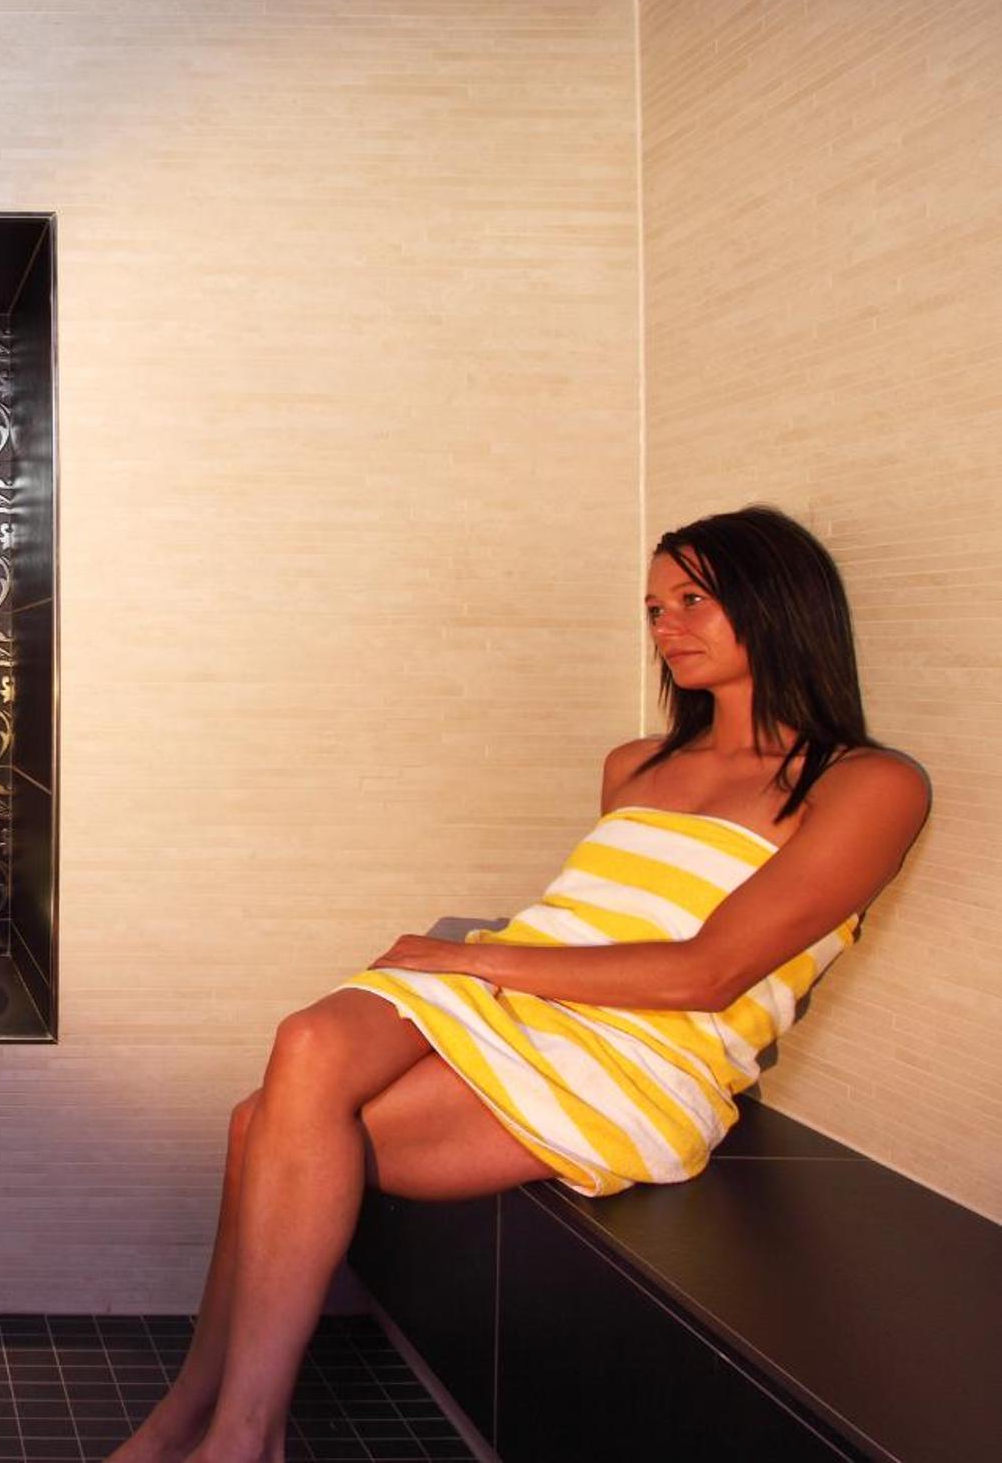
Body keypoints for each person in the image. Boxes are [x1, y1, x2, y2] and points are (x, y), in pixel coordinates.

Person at [112, 505, 929, 1463]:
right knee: (301, 1050)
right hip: (515, 994)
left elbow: (707, 972)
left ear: (777, 602)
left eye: (691, 600)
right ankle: (202, 1422)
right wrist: (481, 964)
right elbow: (595, 917)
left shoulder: (862, 784)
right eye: (654, 608)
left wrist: (471, 956)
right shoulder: (637, 764)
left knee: (267, 1129)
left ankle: (231, 1433)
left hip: (638, 1047)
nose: (665, 627)